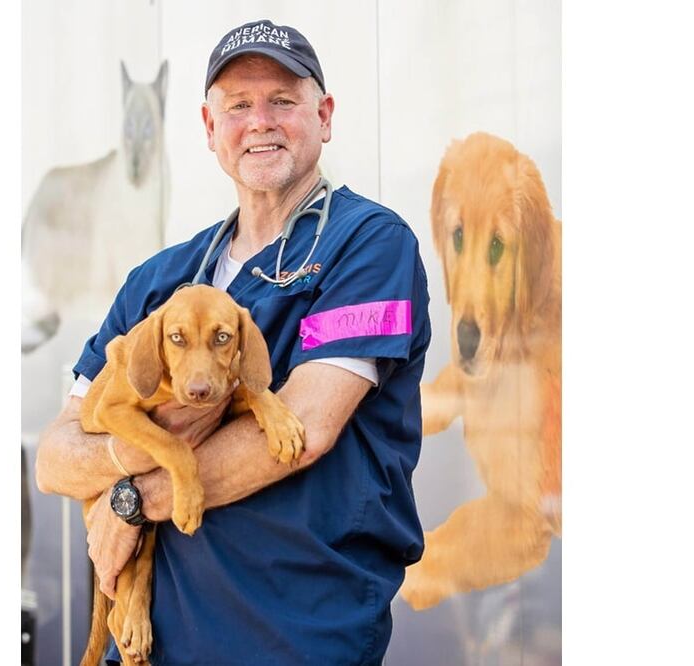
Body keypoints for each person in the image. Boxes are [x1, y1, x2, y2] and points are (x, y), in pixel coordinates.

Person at [36, 19, 431, 665]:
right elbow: (55, 455)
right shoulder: (159, 281)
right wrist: (122, 472)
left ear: (323, 116)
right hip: (151, 638)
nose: (260, 122)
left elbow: (300, 429)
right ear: (209, 128)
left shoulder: (366, 245)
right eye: (238, 105)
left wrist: (131, 503)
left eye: (282, 100)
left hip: (293, 629)